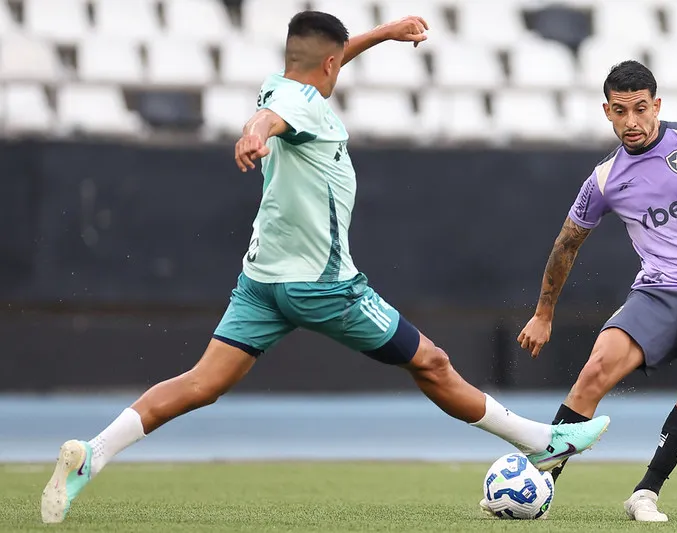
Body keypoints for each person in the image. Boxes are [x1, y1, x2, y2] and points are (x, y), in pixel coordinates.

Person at [41, 11, 610, 524]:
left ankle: (92, 454)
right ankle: (542, 441)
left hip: (260, 283)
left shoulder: (282, 82)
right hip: (324, 287)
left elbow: (284, 97)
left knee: (200, 384)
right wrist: (252, 134)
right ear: (329, 64)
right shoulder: (300, 105)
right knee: (432, 363)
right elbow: (269, 119)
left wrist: (383, 35)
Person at [517, 60, 677, 522]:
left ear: (656, 105)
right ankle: (537, 486)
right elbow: (566, 245)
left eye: (641, 109)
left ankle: (646, 492)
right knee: (595, 368)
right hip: (657, 294)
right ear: (607, 112)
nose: (632, 121)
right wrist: (543, 314)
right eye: (621, 111)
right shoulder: (604, 179)